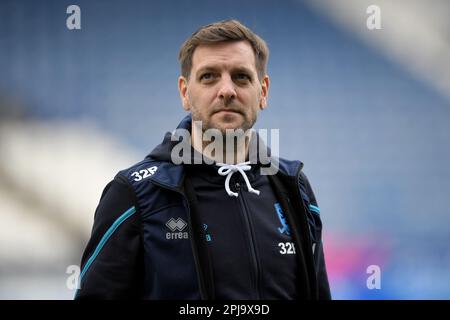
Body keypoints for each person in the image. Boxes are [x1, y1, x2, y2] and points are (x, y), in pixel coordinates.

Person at [75, 19, 331, 300]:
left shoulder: (294, 189)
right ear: (185, 92)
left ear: (263, 91)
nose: (226, 90)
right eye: (209, 76)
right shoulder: (135, 194)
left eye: (241, 76)